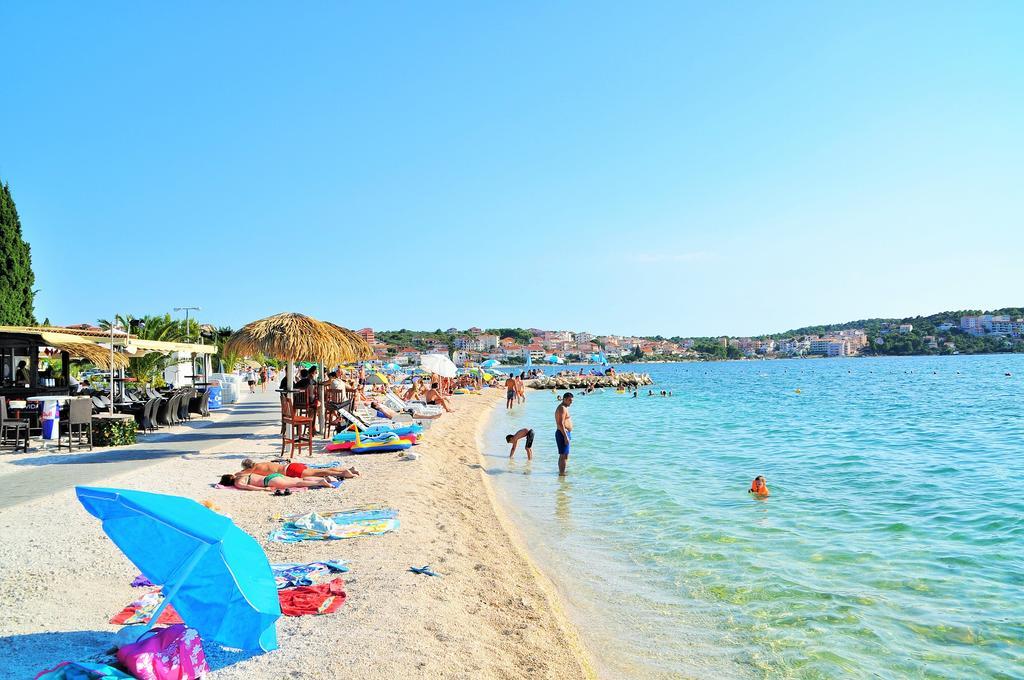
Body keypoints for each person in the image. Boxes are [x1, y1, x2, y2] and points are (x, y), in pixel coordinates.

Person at [238, 458, 359, 480]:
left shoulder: (254, 469)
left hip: (290, 471)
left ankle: (345, 473)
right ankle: (349, 469)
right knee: (320, 470)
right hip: (293, 466)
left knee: (321, 472)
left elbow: (239, 474)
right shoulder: (262, 463)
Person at [218, 471, 333, 492]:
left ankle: (320, 482)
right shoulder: (241, 475)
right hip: (272, 475)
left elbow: (250, 487)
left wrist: (264, 489)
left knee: (298, 484)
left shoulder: (238, 483)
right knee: (299, 480)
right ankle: (322, 478)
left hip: (269, 481)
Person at [555, 392, 573, 476]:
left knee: (565, 455)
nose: (571, 402)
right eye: (569, 400)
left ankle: (562, 472)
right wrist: (565, 436)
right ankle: (561, 474)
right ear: (564, 399)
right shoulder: (562, 408)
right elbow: (560, 423)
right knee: (563, 455)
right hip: (562, 433)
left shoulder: (564, 407)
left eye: (572, 400)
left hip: (564, 433)